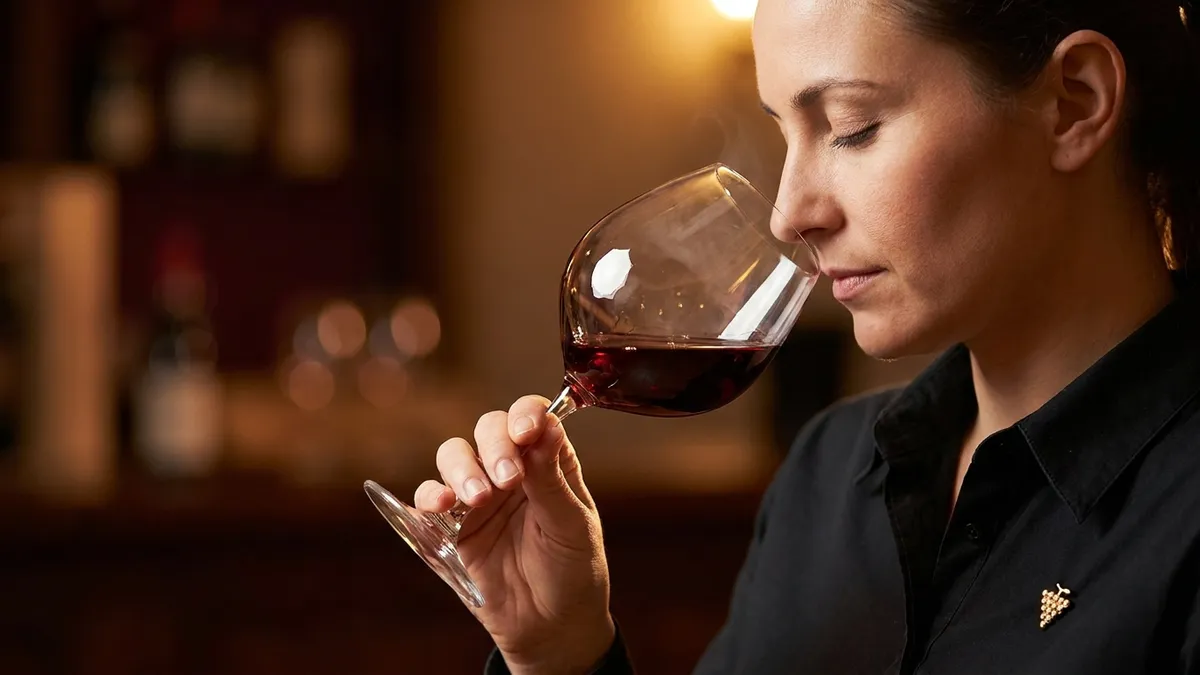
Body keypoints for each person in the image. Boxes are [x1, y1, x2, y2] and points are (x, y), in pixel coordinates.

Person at [414, 0, 1200, 672]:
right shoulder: (829, 475)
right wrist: (563, 653)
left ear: (1074, 101)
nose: (789, 213)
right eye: (785, 134)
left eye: (852, 128)